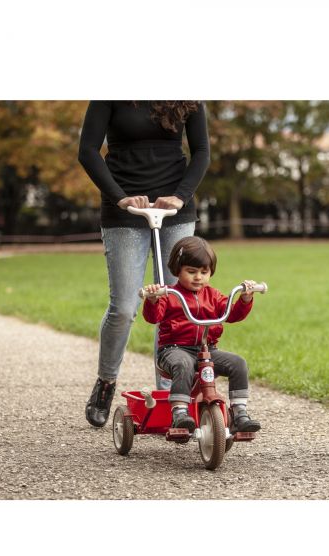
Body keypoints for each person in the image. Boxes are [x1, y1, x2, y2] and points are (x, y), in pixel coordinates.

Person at [78, 101, 210, 427]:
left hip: (174, 211)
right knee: (124, 307)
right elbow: (88, 151)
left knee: (172, 304)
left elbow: (202, 151)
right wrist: (119, 197)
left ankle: (170, 395)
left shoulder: (187, 97)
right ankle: (106, 382)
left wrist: (180, 196)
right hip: (124, 211)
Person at [142, 236, 262, 433]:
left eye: (204, 272)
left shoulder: (213, 296)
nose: (198, 277)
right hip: (174, 350)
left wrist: (245, 298)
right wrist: (153, 300)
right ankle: (179, 412)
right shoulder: (170, 295)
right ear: (178, 270)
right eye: (191, 271)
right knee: (184, 364)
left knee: (238, 363)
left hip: (207, 350)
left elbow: (230, 315)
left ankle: (240, 412)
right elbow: (153, 317)